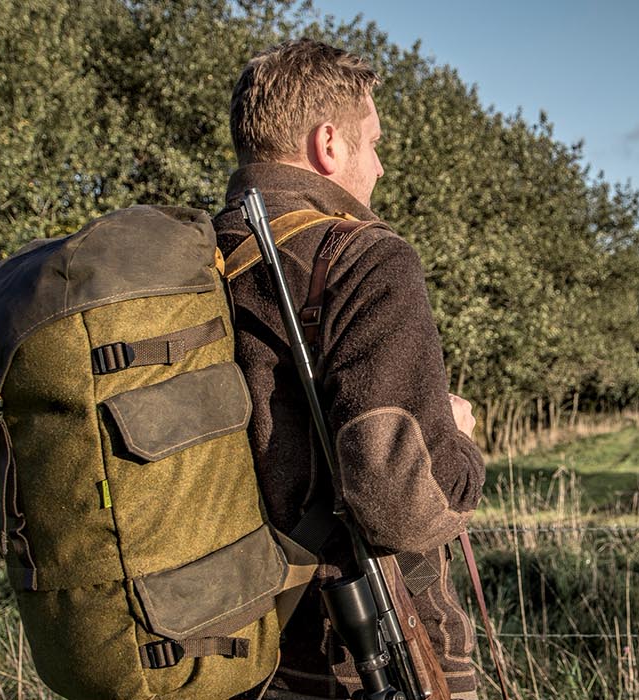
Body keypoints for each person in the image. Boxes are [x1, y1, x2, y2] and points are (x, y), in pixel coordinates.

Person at [212, 39, 487, 700]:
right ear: (328, 144)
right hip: (367, 658)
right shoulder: (365, 258)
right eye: (373, 141)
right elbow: (399, 508)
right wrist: (457, 443)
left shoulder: (195, 261)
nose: (381, 165)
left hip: (232, 652)